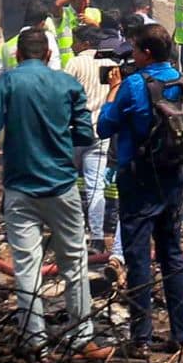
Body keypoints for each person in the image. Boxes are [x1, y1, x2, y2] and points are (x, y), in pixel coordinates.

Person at [0, 27, 110, 360]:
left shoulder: (7, 83)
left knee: (27, 269)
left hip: (20, 189)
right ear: (47, 54)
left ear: (17, 55)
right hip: (61, 188)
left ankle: (35, 344)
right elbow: (85, 135)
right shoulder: (67, 84)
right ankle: (82, 339)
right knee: (74, 265)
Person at [96, 25, 183, 360]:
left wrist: (113, 90)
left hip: (138, 181)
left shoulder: (133, 85)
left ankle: (141, 338)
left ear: (147, 53)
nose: (132, 55)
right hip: (173, 179)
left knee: (139, 257)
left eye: (136, 49)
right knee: (172, 254)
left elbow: (104, 126)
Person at [64, 26, 117, 255]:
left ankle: (73, 234)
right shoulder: (109, 64)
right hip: (101, 131)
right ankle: (96, 237)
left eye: (76, 41)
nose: (73, 45)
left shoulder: (75, 63)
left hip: (76, 131)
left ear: (84, 43)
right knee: (96, 187)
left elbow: (62, 93)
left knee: (70, 185)